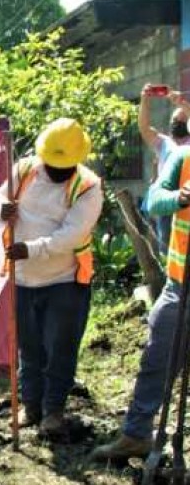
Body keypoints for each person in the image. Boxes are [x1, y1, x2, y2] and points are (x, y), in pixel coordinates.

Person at [0, 118, 102, 439]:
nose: (57, 171)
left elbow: (72, 234)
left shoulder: (88, 186)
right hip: (23, 280)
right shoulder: (25, 170)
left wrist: (32, 249)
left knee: (60, 348)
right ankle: (31, 407)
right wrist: (2, 208)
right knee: (29, 348)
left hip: (64, 282)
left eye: (64, 165)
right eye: (52, 164)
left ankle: (53, 411)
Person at [91, 137, 190, 460]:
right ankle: (136, 435)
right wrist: (178, 197)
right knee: (156, 359)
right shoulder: (183, 158)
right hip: (180, 285)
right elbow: (153, 200)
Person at [138, 83, 190, 252]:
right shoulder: (163, 143)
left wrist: (182, 104)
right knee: (167, 249)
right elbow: (144, 128)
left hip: (187, 199)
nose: (178, 122)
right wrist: (145, 101)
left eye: (182, 120)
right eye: (175, 120)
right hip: (166, 201)